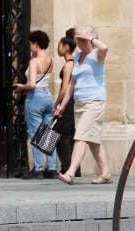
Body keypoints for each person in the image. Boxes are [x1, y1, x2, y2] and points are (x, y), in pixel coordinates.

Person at [54, 25, 112, 185]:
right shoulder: (78, 57)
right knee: (92, 140)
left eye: (81, 38)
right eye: (77, 38)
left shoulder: (96, 55)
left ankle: (71, 172)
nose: (78, 41)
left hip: (94, 102)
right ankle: (105, 172)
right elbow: (71, 86)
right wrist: (62, 106)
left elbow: (105, 47)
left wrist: (91, 39)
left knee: (80, 136)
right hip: (80, 103)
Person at [14, 30, 56, 179]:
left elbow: (31, 84)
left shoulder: (34, 62)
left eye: (31, 43)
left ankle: (38, 168)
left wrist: (20, 86)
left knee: (35, 133)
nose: (29, 46)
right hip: (48, 96)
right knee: (48, 132)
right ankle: (52, 168)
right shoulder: (51, 60)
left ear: (36, 43)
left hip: (35, 97)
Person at [54, 28, 80, 177]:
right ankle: (74, 169)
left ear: (66, 47)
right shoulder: (74, 62)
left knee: (62, 136)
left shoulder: (68, 64)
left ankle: (66, 168)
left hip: (68, 104)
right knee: (70, 136)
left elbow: (64, 89)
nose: (58, 49)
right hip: (72, 103)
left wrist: (56, 103)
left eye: (59, 46)